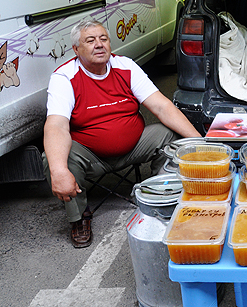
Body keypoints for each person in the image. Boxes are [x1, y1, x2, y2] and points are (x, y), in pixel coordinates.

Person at [43, 19, 201, 248]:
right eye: (90, 40)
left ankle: (162, 195)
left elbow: (161, 106)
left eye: (103, 39)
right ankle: (79, 218)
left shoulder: (125, 66)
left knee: (171, 135)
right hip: (91, 155)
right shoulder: (65, 77)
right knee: (54, 158)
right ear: (76, 49)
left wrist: (199, 141)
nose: (99, 44)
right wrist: (58, 171)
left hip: (134, 146)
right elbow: (56, 126)